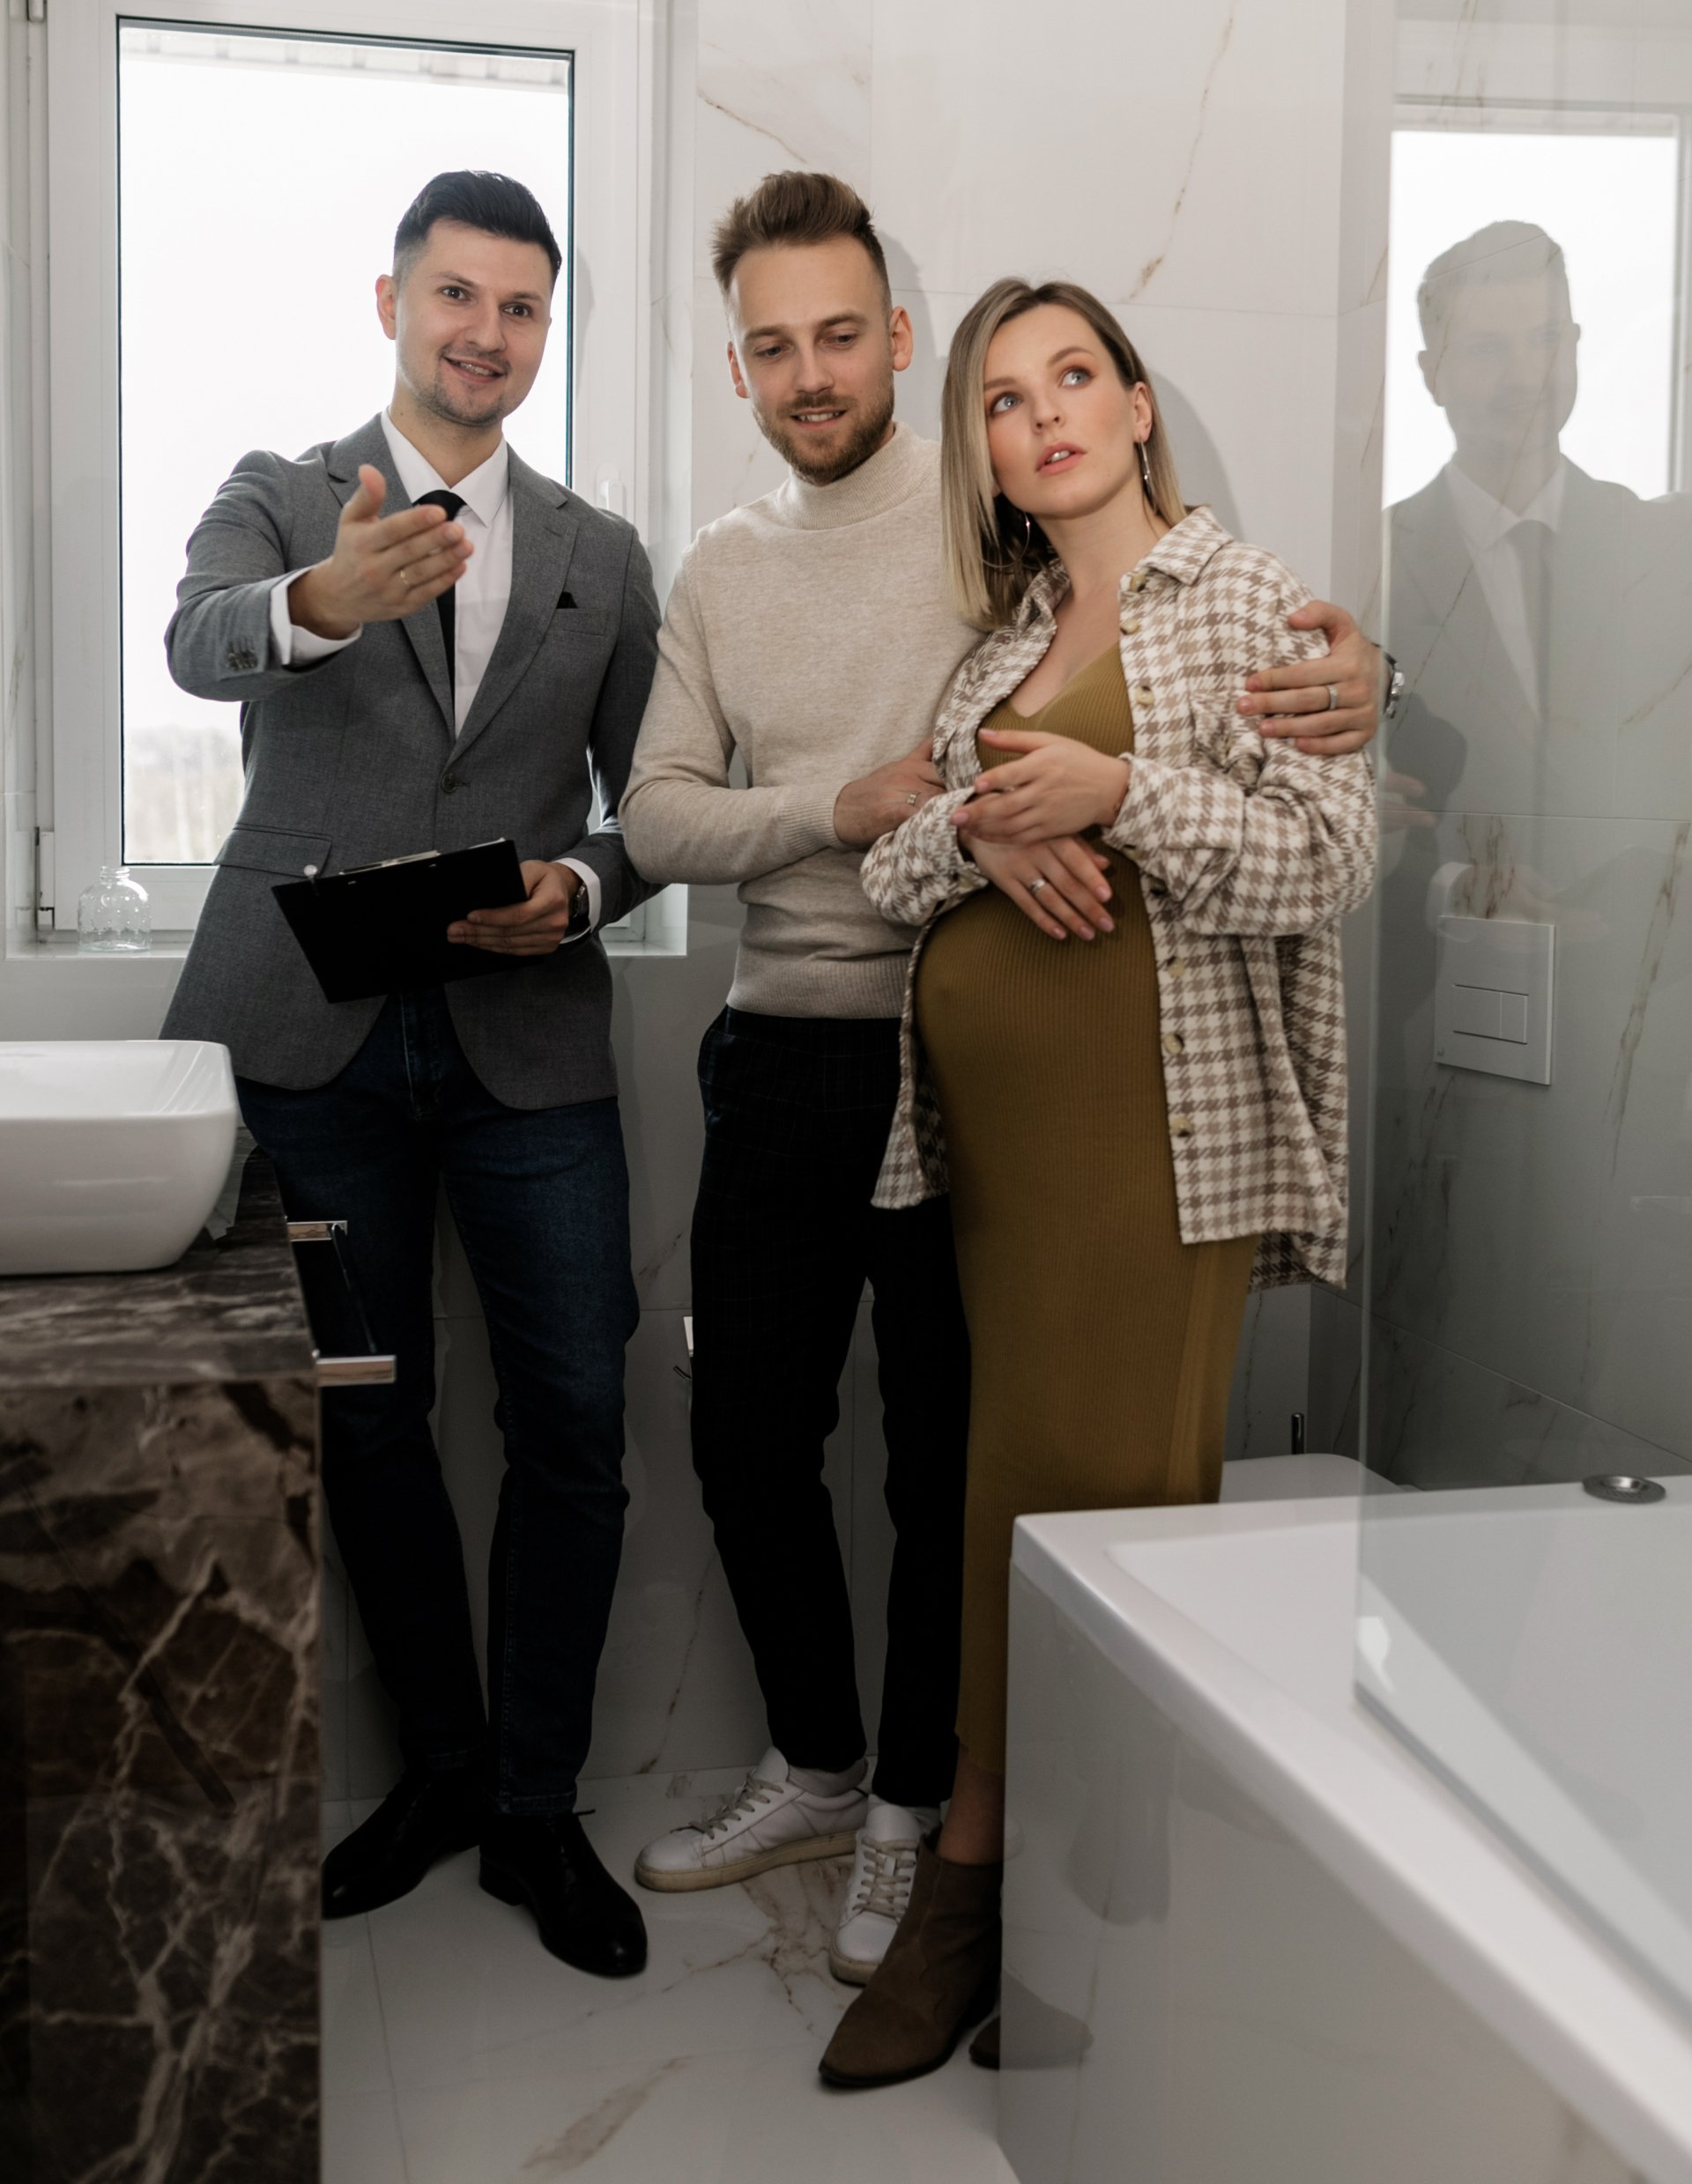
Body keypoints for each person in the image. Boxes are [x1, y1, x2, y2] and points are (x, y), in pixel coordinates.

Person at [619, 172, 1380, 1988]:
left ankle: (930, 1824)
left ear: (897, 336)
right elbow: (666, 813)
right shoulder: (793, 579)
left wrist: (1359, 675)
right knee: (757, 1437)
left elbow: (1237, 714)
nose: (814, 372)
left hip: (1019, 1108)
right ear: (739, 371)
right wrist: (902, 810)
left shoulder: (1066, 566)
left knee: (966, 1468)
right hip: (817, 1063)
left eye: (843, 334)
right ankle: (834, 1773)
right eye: (774, 347)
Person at [818, 278, 1377, 2088]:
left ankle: (1003, 1900)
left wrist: (1113, 795)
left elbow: (1321, 859)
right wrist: (1002, 829)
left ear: (1139, 408)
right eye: (1000, 396)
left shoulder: (1253, 601)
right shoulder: (1003, 645)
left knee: (1110, 1528)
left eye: (1074, 377)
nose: (1041, 413)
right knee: (1012, 1512)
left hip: (1160, 1148)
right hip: (999, 1168)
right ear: (983, 449)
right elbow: (896, 868)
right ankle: (1061, 1910)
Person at [160, 171, 659, 1977]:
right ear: (392, 304)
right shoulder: (285, 493)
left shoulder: (604, 553)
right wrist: (319, 598)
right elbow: (196, 640)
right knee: (363, 1416)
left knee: (577, 1428)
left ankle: (538, 1805)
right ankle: (441, 1771)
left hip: (531, 1044)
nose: (487, 335)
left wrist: (584, 883)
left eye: (521, 309)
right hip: (312, 1047)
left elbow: (652, 810)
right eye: (457, 296)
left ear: (544, 332)